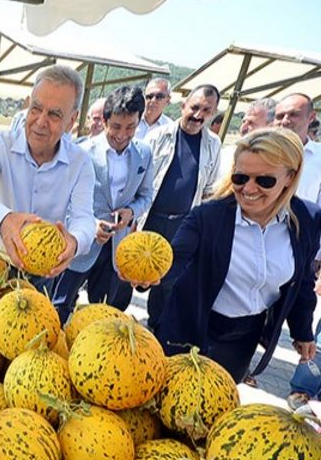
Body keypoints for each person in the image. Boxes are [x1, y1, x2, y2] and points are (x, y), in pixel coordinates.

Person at [133, 128, 320, 384]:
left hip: (243, 336)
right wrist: (148, 274)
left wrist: (302, 331)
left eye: (264, 180)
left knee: (216, 406)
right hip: (190, 325)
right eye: (241, 177)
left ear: (290, 177)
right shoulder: (208, 216)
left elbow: (302, 282)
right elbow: (175, 258)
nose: (249, 188)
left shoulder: (306, 220)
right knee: (171, 400)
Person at [0, 64, 96, 306]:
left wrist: (74, 242)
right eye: (36, 109)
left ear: (71, 121)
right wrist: (4, 220)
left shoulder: (81, 162)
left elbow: (85, 218)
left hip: (41, 275)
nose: (40, 121)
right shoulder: (1, 144)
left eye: (55, 114)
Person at [54, 86, 154, 322]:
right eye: (116, 126)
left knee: (105, 311)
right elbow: (62, 200)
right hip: (81, 244)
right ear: (105, 120)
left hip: (117, 249)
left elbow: (146, 195)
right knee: (60, 305)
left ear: (139, 122)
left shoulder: (144, 154)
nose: (122, 134)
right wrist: (90, 225)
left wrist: (132, 211)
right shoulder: (82, 152)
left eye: (130, 127)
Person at [141, 84, 222, 327]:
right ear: (183, 105)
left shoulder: (213, 145)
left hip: (182, 224)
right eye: (195, 107)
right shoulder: (157, 136)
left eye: (206, 110)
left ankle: (157, 328)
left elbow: (209, 191)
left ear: (214, 112)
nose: (198, 115)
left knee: (169, 282)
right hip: (150, 218)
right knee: (133, 270)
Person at [274, 93, 321, 409]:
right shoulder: (264, 149)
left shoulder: (318, 159)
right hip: (262, 238)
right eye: (279, 116)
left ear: (310, 117)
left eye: (292, 115)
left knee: (296, 305)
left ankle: (303, 387)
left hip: (301, 248)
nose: (285, 121)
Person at [217, 98, 277, 184]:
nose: (243, 128)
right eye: (243, 121)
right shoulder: (225, 155)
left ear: (271, 127)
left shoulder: (279, 162)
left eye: (251, 123)